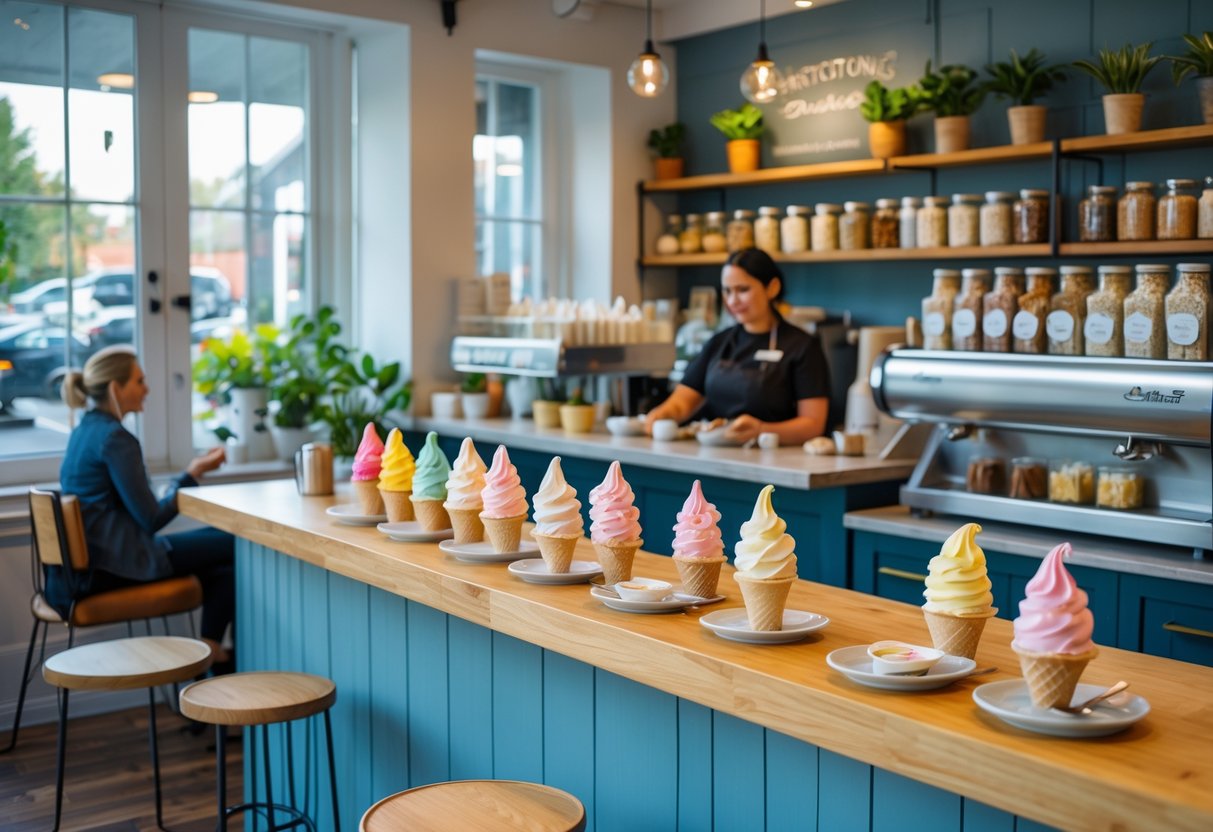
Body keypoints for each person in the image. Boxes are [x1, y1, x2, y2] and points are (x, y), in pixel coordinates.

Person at [51, 345, 235, 669]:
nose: (146, 389)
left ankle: (210, 656)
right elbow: (151, 518)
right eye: (139, 381)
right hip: (116, 563)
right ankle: (214, 658)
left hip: (84, 571)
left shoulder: (83, 432)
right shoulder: (115, 439)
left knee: (224, 569)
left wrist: (187, 476)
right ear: (115, 388)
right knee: (234, 541)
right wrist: (192, 474)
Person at [645, 248, 830, 445]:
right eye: (727, 291)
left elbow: (813, 424)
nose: (733, 301)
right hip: (715, 451)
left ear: (772, 288)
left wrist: (761, 431)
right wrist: (661, 415)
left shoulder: (803, 346)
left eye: (743, 290)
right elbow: (682, 403)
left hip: (775, 456)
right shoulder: (718, 342)